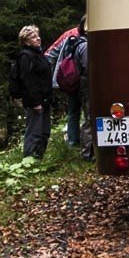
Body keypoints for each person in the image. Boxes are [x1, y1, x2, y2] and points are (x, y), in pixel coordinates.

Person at [45, 16, 89, 156]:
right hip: (84, 80)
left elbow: (49, 55)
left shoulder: (69, 34)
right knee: (87, 112)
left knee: (73, 111)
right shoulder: (89, 37)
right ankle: (87, 145)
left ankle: (73, 142)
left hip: (70, 79)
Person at [14, 25, 53, 158]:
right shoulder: (25, 56)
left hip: (45, 99)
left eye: (37, 35)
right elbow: (28, 81)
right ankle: (29, 161)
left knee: (44, 132)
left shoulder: (39, 54)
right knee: (34, 132)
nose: (37, 38)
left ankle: (38, 158)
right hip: (35, 102)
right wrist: (35, 102)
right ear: (26, 41)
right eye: (33, 37)